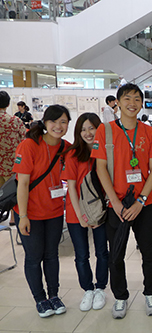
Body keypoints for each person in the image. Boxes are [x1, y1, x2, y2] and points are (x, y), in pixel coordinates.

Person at [92, 83, 152, 319]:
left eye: (137, 99)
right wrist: (116, 202)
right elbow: (100, 168)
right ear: (118, 102)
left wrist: (141, 201)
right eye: (127, 99)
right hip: (117, 205)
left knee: (149, 252)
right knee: (116, 254)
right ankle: (120, 297)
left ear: (142, 103)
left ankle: (151, 292)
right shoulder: (105, 131)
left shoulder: (150, 132)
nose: (132, 103)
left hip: (143, 204)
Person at [13, 105, 71, 318]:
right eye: (54, 121)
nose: (58, 126)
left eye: (63, 122)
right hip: (30, 213)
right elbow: (23, 183)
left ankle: (54, 295)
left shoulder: (66, 147)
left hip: (55, 212)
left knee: (51, 255)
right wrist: (23, 216)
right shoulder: (29, 145)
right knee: (34, 256)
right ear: (45, 123)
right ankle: (40, 298)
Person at [61, 113, 109, 312]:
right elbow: (71, 187)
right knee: (81, 255)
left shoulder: (106, 151)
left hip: (100, 211)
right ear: (78, 132)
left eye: (92, 128)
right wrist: (81, 215)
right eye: (83, 129)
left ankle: (100, 289)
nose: (88, 133)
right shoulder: (73, 154)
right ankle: (87, 289)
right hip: (76, 212)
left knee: (102, 252)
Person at [0, 91, 25, 225]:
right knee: (13, 193)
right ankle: (14, 219)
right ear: (8, 104)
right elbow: (24, 141)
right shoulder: (15, 121)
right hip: (11, 165)